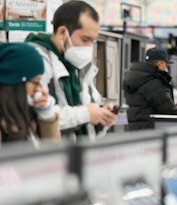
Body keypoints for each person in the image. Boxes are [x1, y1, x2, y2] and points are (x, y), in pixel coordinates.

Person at [25, 0, 117, 140]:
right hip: (47, 157)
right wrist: (85, 114)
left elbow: (90, 111)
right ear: (62, 32)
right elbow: (37, 115)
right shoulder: (36, 60)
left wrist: (102, 117)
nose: (88, 47)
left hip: (77, 156)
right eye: (85, 39)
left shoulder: (79, 66)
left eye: (92, 41)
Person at [123, 46, 177, 130]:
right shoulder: (154, 82)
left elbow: (146, 105)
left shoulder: (137, 79)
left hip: (135, 130)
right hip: (150, 132)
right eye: (166, 64)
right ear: (160, 63)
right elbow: (171, 113)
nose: (166, 68)